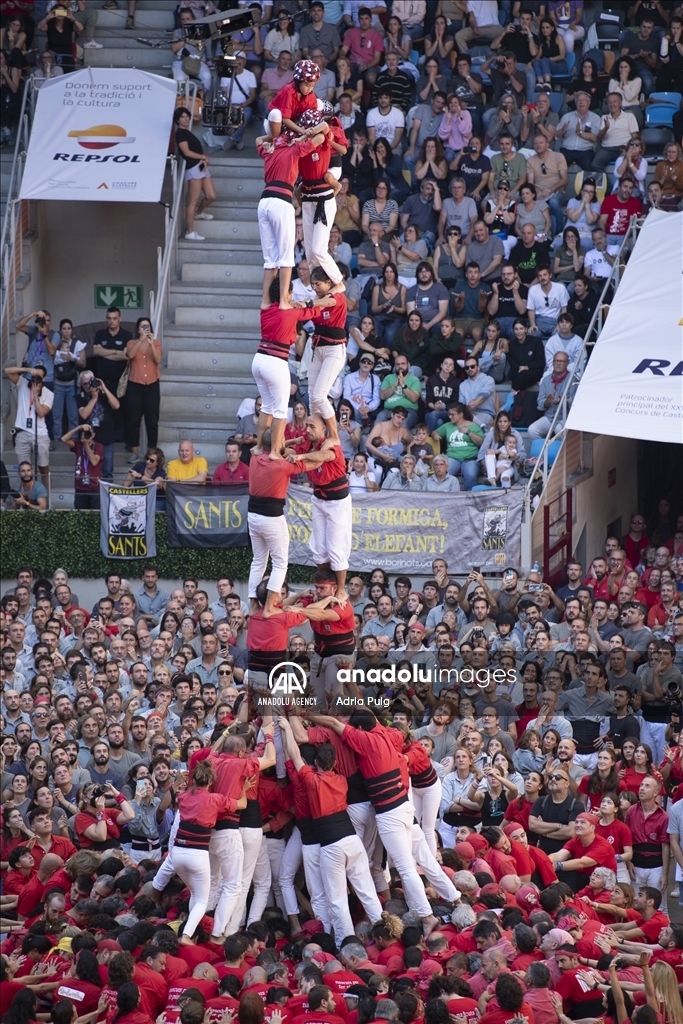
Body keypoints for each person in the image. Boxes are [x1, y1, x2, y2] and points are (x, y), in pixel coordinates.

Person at [171, 758, 250, 944]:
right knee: (201, 900)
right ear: (210, 781)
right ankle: (186, 935)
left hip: (177, 853)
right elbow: (242, 804)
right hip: (197, 854)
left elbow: (177, 793)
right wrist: (244, 789)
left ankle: (193, 930)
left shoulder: (183, 796)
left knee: (195, 893)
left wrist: (178, 783)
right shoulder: (215, 799)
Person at [255, 124, 326, 307]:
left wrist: (274, 136)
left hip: (263, 202)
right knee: (286, 256)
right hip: (280, 201)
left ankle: (265, 301)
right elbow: (320, 138)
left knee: (270, 258)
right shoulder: (293, 149)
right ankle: (283, 302)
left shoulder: (269, 151)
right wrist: (304, 135)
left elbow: (258, 140)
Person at [289, 415, 352, 599]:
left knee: (335, 548)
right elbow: (282, 449)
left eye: (311, 427)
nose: (307, 430)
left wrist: (300, 456)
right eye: (306, 426)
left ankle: (340, 590)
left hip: (337, 503)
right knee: (319, 549)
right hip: (318, 499)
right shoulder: (307, 444)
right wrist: (293, 441)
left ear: (323, 428)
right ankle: (325, 586)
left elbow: (324, 456)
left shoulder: (330, 443)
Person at [247, 429, 308, 617]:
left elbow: (272, 445)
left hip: (253, 515)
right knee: (281, 563)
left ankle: (253, 603)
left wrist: (291, 442)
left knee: (259, 560)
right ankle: (269, 607)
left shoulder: (254, 458)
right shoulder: (282, 465)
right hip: (271, 517)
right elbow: (309, 465)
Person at [3, 363, 53, 489]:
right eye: (34, 376)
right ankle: (27, 497)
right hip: (22, 432)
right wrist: (27, 370)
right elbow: (7, 370)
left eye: (39, 377)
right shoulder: (23, 383)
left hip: (40, 434)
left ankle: (46, 496)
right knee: (24, 469)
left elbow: (41, 413)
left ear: (44, 378)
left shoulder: (48, 394)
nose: (36, 379)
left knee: (43, 466)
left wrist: (35, 394)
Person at [174, 107, 216, 242]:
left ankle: (199, 213)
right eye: (182, 117)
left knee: (211, 196)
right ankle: (189, 232)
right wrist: (203, 156)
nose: (185, 119)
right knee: (193, 201)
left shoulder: (187, 132)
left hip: (201, 167)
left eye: (187, 116)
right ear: (177, 120)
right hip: (193, 168)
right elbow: (186, 153)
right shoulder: (180, 133)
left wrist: (203, 159)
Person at [124, 315, 162, 462]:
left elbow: (158, 359)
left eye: (148, 326)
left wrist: (151, 343)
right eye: (143, 326)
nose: (146, 329)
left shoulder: (157, 343)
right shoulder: (131, 342)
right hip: (135, 385)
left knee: (152, 421)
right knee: (134, 420)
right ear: (138, 329)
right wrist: (141, 339)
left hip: (152, 385)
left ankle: (152, 454)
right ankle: (135, 452)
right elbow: (130, 354)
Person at [431, 401, 484, 490]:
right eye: (449, 414)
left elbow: (481, 442)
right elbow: (434, 432)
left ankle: (468, 500)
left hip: (470, 459)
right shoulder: (447, 426)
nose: (450, 416)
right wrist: (434, 435)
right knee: (442, 473)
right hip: (452, 458)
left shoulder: (473, 426)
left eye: (452, 414)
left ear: (460, 414)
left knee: (471, 475)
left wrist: (468, 432)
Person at [526, 134, 569, 238]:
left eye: (541, 142)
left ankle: (559, 234)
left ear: (547, 144)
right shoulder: (531, 160)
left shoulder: (558, 156)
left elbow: (565, 179)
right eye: (535, 143)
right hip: (539, 193)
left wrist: (551, 189)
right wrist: (535, 193)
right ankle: (536, 235)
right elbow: (530, 183)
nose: (538, 145)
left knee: (554, 202)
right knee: (529, 201)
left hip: (557, 191)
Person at [593, 93, 640, 174]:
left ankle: (623, 186)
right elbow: (600, 137)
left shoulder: (629, 116)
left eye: (614, 101)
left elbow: (635, 137)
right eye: (609, 102)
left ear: (620, 103)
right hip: (607, 149)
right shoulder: (604, 117)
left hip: (623, 148)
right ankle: (608, 186)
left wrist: (629, 150)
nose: (612, 104)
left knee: (625, 165)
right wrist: (606, 128)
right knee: (595, 164)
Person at [556, 92, 601, 174]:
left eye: (583, 100)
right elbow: (556, 136)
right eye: (578, 100)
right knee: (558, 169)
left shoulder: (595, 118)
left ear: (589, 103)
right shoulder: (567, 117)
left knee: (588, 167)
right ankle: (558, 186)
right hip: (567, 150)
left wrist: (579, 132)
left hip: (585, 151)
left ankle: (588, 186)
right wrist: (562, 130)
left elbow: (594, 138)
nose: (581, 102)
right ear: (575, 103)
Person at [61, 424, 103, 510]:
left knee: (95, 516)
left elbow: (94, 461)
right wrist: (78, 428)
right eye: (84, 433)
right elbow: (64, 439)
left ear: (93, 435)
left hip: (94, 488)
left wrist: (86, 444)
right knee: (80, 515)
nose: (86, 435)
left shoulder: (99, 446)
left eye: (88, 433)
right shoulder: (78, 444)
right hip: (80, 488)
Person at [526, 266, 569, 338]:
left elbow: (564, 309)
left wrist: (560, 325)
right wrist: (533, 325)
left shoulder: (560, 288)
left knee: (559, 337)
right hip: (539, 322)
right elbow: (531, 310)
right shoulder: (533, 289)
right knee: (530, 337)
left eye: (545, 274)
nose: (542, 277)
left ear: (550, 275)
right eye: (540, 276)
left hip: (555, 322)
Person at [599, 176, 642, 246]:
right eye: (625, 187)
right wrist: (603, 237)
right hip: (608, 235)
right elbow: (602, 221)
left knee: (626, 248)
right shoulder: (608, 200)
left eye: (630, 188)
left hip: (625, 236)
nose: (627, 190)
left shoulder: (635, 203)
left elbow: (632, 223)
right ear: (619, 188)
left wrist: (626, 238)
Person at [458, 353, 496, 426]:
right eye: (467, 367)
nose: (470, 369)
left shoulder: (488, 380)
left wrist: (471, 404)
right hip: (468, 414)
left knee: (467, 424)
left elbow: (481, 398)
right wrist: (467, 407)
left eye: (472, 366)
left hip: (485, 414)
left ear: (478, 367)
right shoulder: (462, 385)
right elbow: (461, 405)